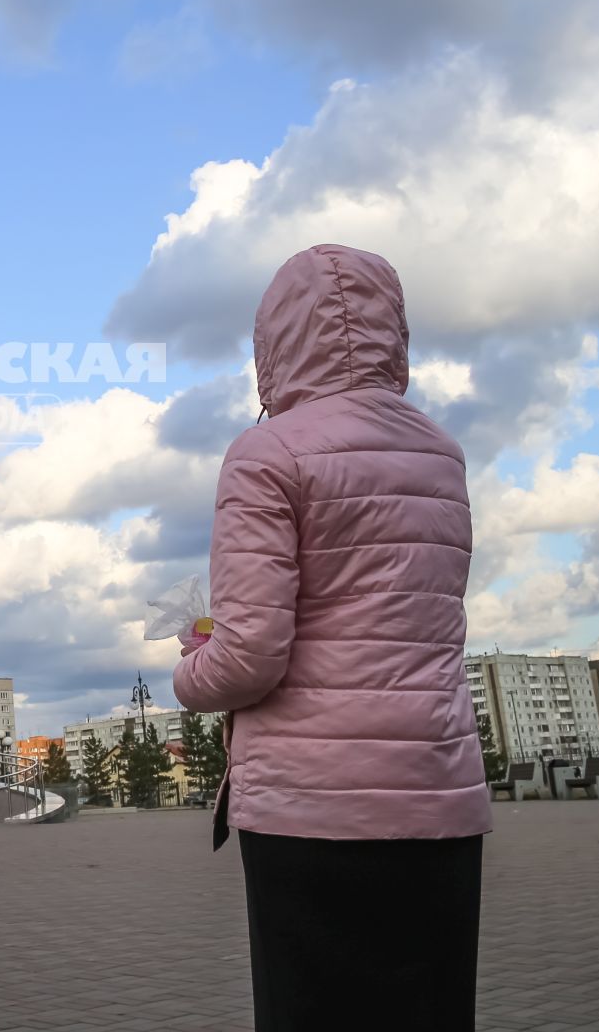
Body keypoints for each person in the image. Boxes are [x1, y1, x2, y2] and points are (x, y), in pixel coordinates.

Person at [171, 244, 489, 1032]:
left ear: (274, 344)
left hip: (313, 813)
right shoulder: (440, 454)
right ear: (395, 334)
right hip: (437, 796)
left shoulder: (266, 454)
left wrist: (190, 665)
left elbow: (250, 656)